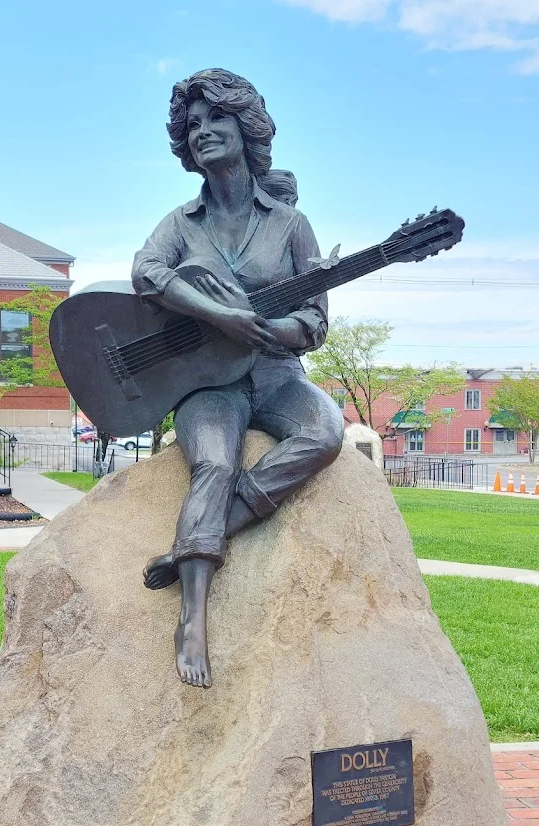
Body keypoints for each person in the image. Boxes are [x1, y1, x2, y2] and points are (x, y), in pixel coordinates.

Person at [131, 68, 344, 690]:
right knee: (215, 462)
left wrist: (272, 332)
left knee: (324, 433)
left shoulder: (289, 225)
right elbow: (147, 273)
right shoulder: (181, 222)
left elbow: (315, 322)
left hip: (276, 375)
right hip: (209, 381)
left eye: (215, 120)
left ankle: (204, 536)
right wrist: (219, 315)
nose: (202, 132)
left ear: (246, 129)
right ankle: (192, 618)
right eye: (192, 125)